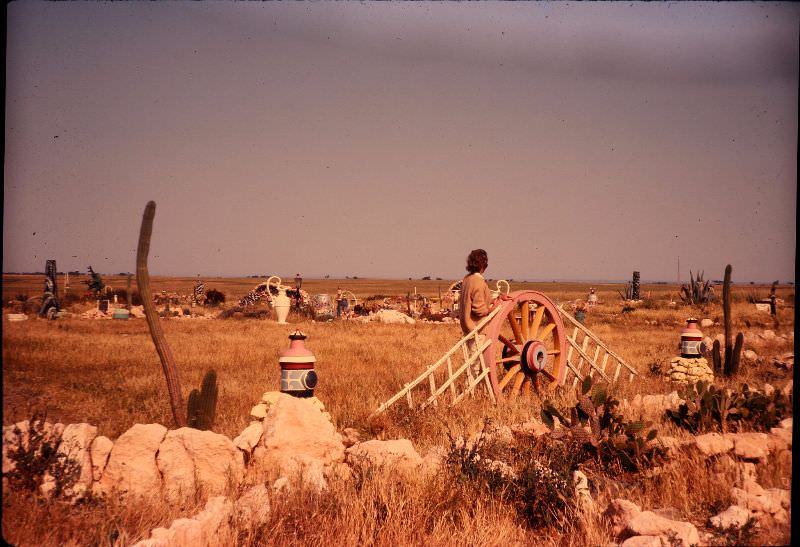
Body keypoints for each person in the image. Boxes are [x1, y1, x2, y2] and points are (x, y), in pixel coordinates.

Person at [458, 249, 510, 336]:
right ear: (484, 265)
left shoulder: (467, 279)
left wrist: (497, 298)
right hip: (477, 328)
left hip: (466, 326)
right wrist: (495, 308)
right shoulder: (478, 282)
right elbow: (480, 310)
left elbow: (476, 300)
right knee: (476, 350)